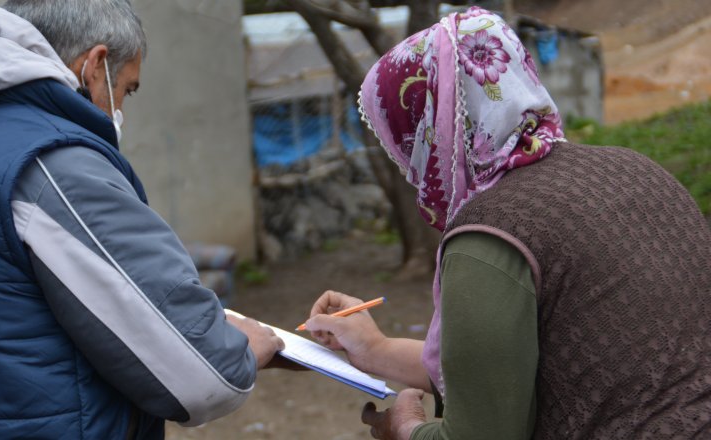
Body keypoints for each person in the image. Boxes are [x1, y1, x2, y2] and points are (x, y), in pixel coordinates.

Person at [0, 2, 283, 438]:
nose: (122, 108)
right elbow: (203, 376)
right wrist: (241, 351)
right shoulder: (51, 167)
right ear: (96, 65)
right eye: (127, 90)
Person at [305, 7, 711, 440]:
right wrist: (375, 349)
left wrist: (407, 428)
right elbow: (510, 371)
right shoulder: (635, 170)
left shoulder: (491, 233)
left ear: (429, 129)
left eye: (401, 141)